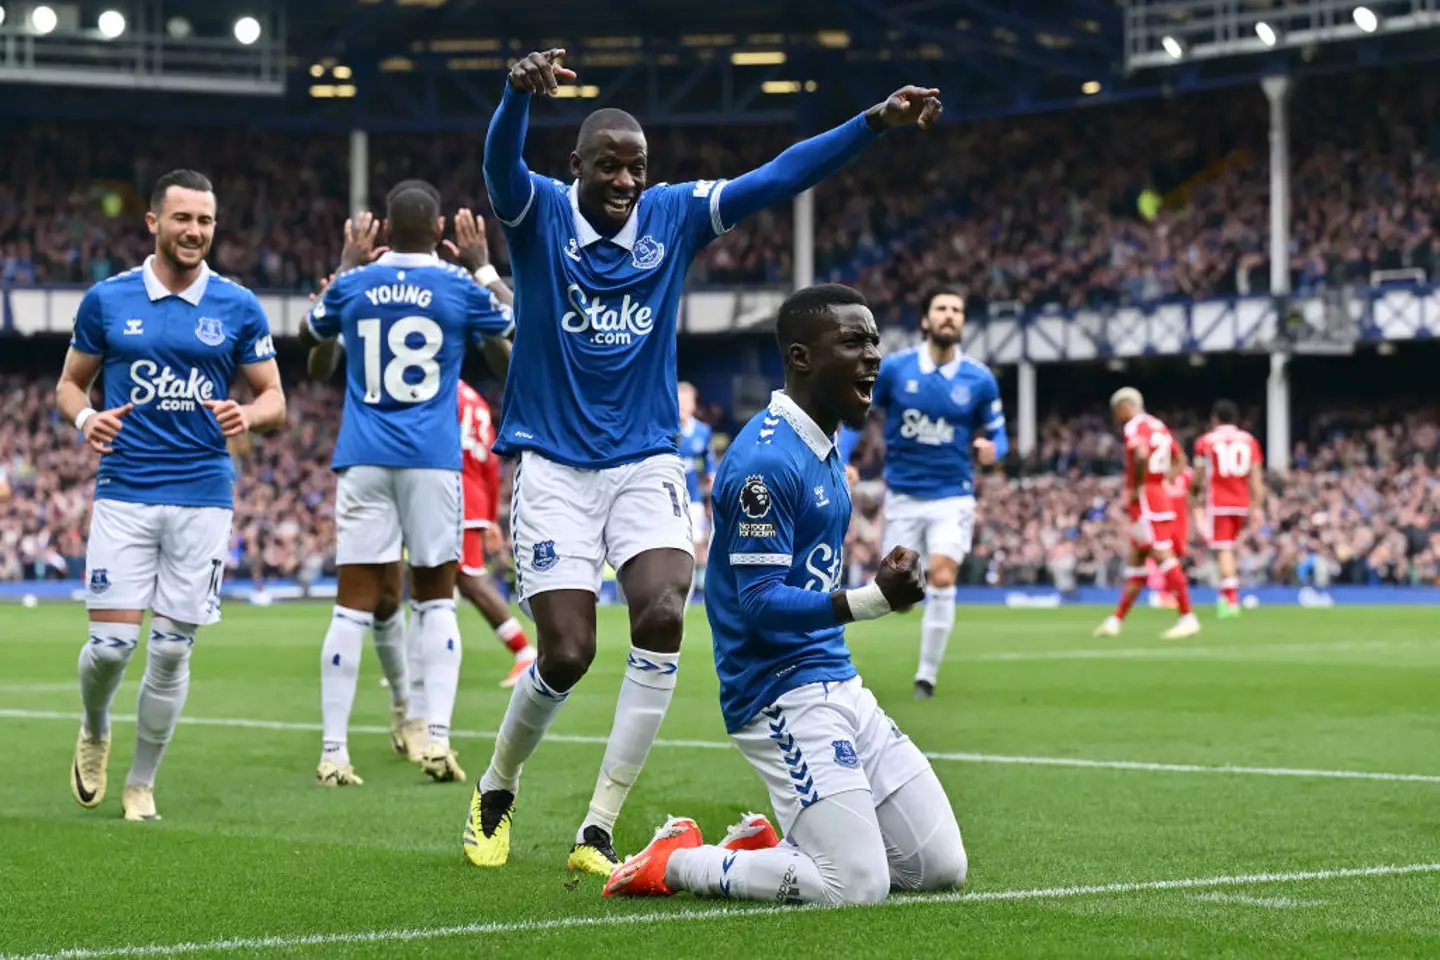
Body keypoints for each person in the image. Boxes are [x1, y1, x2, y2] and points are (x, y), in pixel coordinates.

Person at [464, 47, 943, 876]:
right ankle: (498, 786)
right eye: (609, 167)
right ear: (574, 166)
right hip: (551, 465)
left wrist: (873, 123)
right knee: (568, 653)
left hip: (646, 457)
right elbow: (499, 166)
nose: (625, 182)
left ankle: (599, 828)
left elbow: (777, 177)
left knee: (661, 613)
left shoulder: (673, 215)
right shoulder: (536, 211)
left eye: (637, 168)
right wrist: (515, 96)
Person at [603, 283, 967, 905]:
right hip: (777, 693)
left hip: (838, 681)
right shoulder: (766, 463)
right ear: (801, 357)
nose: (873, 356)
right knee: (855, 887)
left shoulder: (821, 449)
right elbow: (761, 602)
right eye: (854, 342)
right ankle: (682, 860)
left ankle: (772, 850)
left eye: (875, 340)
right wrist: (873, 599)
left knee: (939, 867)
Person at [59, 169, 286, 821]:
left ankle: (141, 782)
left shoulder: (238, 306)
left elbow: (274, 396)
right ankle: (96, 726)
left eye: (206, 221)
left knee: (171, 649)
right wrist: (85, 420)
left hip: (203, 496)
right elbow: (69, 386)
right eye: (183, 218)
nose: (195, 231)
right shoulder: (107, 299)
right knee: (110, 648)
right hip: (126, 489)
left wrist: (253, 415)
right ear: (153, 222)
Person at [301, 181, 513, 787]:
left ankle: (334, 751)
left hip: (364, 456)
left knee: (351, 608)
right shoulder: (453, 286)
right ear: (441, 228)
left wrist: (344, 267)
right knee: (436, 599)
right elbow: (515, 325)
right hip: (430, 458)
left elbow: (313, 338)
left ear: (385, 232)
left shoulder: (355, 285)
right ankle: (437, 740)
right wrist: (480, 266)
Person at [859, 286, 1006, 700]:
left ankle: (926, 677)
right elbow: (859, 414)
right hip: (904, 495)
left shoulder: (979, 378)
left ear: (962, 321)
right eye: (941, 308)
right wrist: (846, 458)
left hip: (952, 494)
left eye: (956, 310)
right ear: (925, 320)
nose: (949, 315)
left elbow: (1000, 436)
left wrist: (994, 451)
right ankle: (907, 596)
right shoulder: (895, 370)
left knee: (942, 574)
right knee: (898, 593)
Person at [1093, 388, 1200, 640]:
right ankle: (1115, 620)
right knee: (1137, 563)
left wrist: (1137, 486)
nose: (1115, 418)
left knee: (1163, 555)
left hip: (1146, 500)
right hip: (1155, 494)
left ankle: (1187, 616)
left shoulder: (1134, 426)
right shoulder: (1158, 425)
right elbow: (1180, 459)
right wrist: (1164, 481)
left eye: (1115, 411)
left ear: (1124, 407)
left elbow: (1140, 454)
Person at [1192, 399, 1263, 617]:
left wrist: (1194, 495)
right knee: (1229, 549)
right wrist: (1257, 506)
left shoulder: (1206, 441)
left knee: (1224, 549)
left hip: (1219, 502)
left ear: (1215, 418)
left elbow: (1198, 474)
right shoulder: (1249, 440)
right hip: (1241, 502)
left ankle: (1230, 600)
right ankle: (1228, 594)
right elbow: (1256, 477)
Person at [677, 382, 716, 596]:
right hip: (668, 498)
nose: (681, 406)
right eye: (678, 402)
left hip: (693, 498)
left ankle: (696, 587)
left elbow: (709, 467)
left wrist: (710, 497)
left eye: (685, 402)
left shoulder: (702, 431)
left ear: (693, 404)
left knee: (697, 542)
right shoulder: (666, 430)